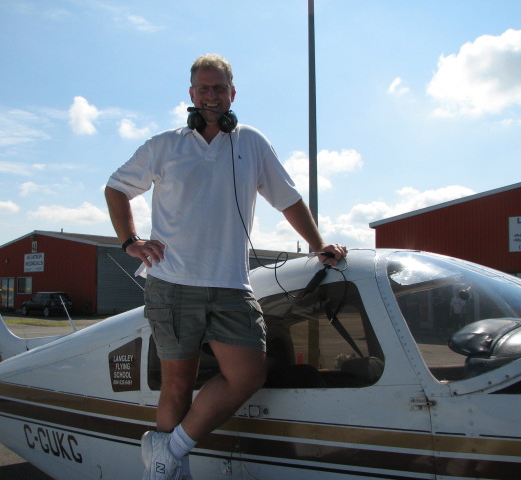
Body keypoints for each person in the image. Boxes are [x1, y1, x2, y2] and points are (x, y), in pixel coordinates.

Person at [105, 53, 346, 480]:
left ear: (232, 94)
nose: (211, 95)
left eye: (219, 88)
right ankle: (171, 472)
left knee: (248, 374)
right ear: (192, 94)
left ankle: (167, 452)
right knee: (178, 383)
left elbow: (287, 198)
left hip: (232, 285)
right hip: (172, 283)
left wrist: (317, 244)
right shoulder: (165, 144)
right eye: (204, 88)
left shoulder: (251, 142)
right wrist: (130, 241)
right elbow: (116, 188)